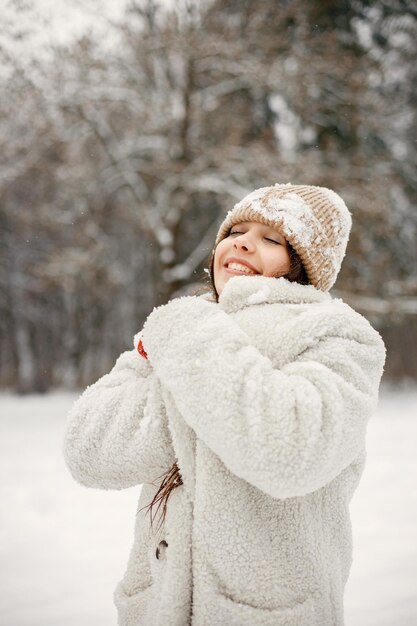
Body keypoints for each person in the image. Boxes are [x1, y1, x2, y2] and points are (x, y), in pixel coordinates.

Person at [63, 183, 386, 626]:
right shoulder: (179, 333)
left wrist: (191, 339)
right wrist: (191, 349)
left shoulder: (339, 336)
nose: (242, 242)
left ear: (305, 266)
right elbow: (88, 451)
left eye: (272, 238)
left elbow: (289, 450)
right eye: (236, 230)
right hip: (155, 611)